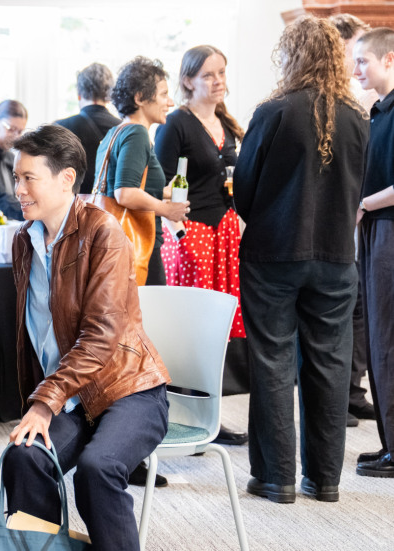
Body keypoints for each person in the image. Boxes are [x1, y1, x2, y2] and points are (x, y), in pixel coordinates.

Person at [2, 124, 170, 551]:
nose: (18, 189)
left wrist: (43, 403)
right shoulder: (25, 240)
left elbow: (101, 336)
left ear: (66, 178)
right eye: (16, 177)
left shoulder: (104, 233)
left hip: (129, 390)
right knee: (25, 458)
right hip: (72, 398)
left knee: (98, 468)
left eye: (28, 178)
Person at [235, 16, 367, 503]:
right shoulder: (358, 117)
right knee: (331, 366)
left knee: (272, 363)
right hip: (337, 258)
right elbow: (361, 188)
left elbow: (243, 192)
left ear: (290, 55)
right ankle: (326, 480)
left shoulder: (274, 111)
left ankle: (277, 479)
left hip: (273, 254)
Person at [153, 45, 249, 446]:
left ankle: (211, 416)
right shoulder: (176, 123)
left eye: (222, 73)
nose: (219, 81)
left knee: (218, 329)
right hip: (191, 234)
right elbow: (157, 184)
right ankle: (180, 416)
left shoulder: (227, 122)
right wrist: (178, 225)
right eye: (209, 75)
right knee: (191, 328)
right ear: (188, 80)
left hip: (225, 234)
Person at [95, 57, 189, 286]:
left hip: (116, 243)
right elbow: (125, 193)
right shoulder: (137, 133)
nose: (171, 102)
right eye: (164, 94)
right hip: (135, 246)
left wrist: (163, 192)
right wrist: (167, 210)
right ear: (140, 98)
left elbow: (124, 186)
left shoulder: (115, 133)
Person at [330, 13, 377, 426]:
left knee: (360, 309)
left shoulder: (366, 96)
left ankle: (352, 388)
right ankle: (336, 393)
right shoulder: (341, 99)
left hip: (365, 217)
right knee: (343, 310)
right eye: (357, 49)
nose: (361, 60)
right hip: (343, 218)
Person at [353, 27, 394, 478]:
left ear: (389, 59)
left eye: (363, 60)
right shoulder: (377, 111)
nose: (355, 70)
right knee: (380, 339)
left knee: (388, 342)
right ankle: (389, 443)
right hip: (376, 230)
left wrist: (362, 204)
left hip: (388, 230)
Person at [55, 63, 121, 194]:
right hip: (110, 209)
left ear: (79, 93)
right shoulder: (124, 129)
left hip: (70, 208)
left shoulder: (60, 128)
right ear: (109, 94)